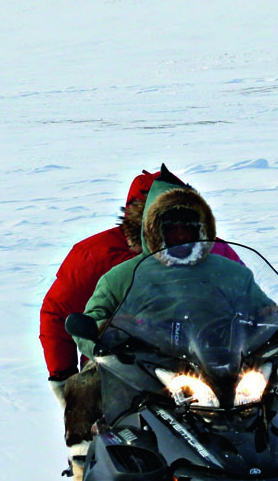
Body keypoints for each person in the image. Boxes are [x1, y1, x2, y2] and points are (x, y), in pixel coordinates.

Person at [61, 175, 271, 481]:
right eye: (172, 231)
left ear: (203, 230)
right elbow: (92, 315)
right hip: (145, 362)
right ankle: (84, 471)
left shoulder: (229, 272)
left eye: (189, 230)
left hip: (218, 360)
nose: (181, 238)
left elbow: (260, 306)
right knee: (86, 386)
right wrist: (102, 335)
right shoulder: (125, 275)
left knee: (267, 396)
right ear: (154, 231)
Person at [39, 166, 236, 406]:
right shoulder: (97, 255)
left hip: (203, 359)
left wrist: (273, 331)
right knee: (91, 408)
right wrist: (63, 375)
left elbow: (246, 296)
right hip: (119, 363)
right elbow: (59, 312)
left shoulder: (215, 251)